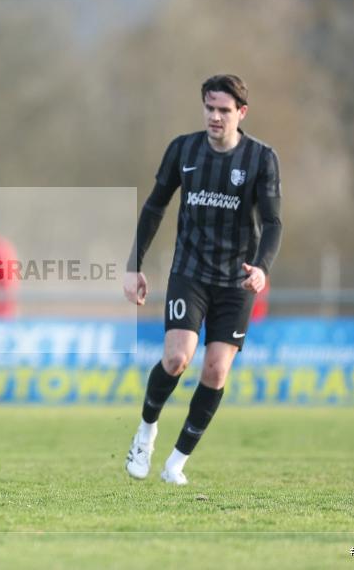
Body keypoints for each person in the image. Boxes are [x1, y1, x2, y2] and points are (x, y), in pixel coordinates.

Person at [123, 74, 282, 485]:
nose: (215, 116)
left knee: (215, 371)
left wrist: (262, 266)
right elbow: (155, 206)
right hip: (189, 272)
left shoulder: (261, 158)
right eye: (209, 108)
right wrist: (134, 264)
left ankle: (176, 462)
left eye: (224, 110)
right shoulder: (183, 149)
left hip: (236, 280)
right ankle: (145, 432)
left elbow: (273, 221)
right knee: (177, 358)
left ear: (241, 113)